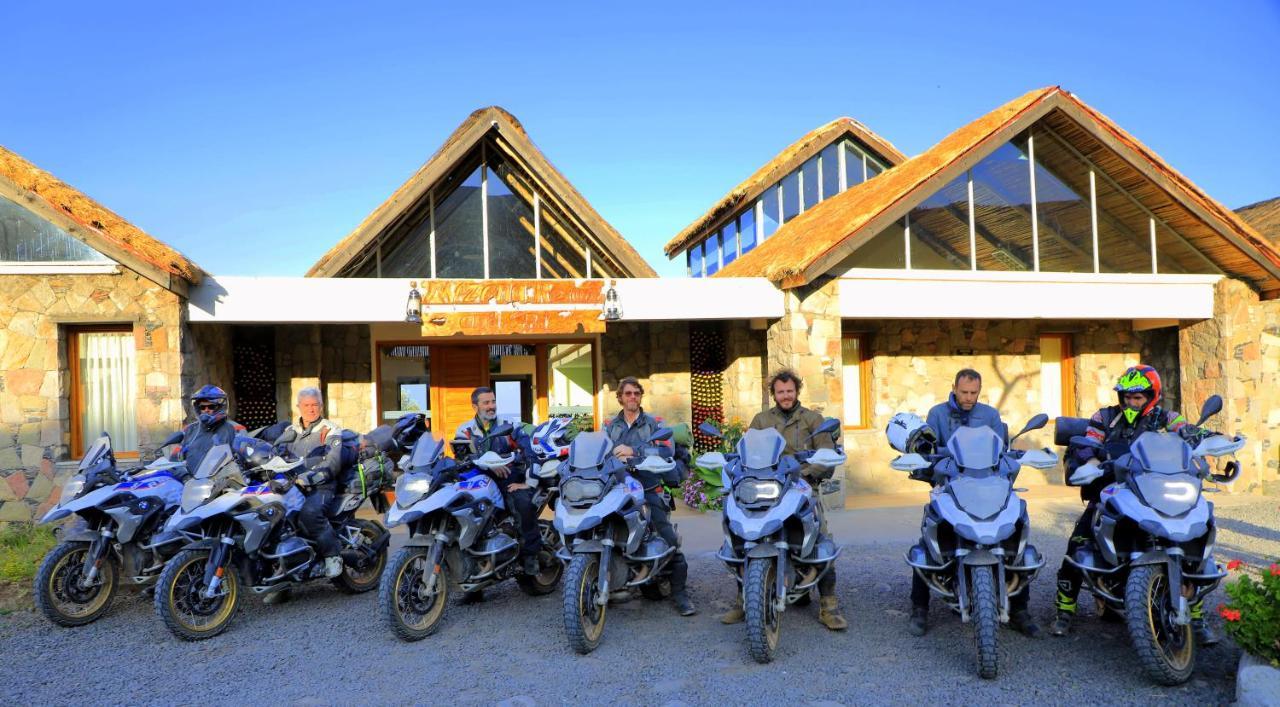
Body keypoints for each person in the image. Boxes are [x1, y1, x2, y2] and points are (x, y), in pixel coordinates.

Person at [1049, 365, 1216, 645]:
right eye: (1127, 396)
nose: (1131, 402)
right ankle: (1065, 610)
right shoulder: (1105, 416)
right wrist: (1090, 462)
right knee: (1079, 542)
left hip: (1158, 488)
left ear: (1152, 396)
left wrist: (1215, 439)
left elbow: (1187, 432)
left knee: (1193, 535)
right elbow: (1088, 441)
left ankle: (1196, 617)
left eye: (1138, 397)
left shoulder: (1166, 418)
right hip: (1115, 488)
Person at [910, 368, 1042, 638]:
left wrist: (1015, 462)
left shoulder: (990, 415)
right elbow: (929, 448)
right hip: (951, 485)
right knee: (929, 538)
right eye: (964, 392)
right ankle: (919, 609)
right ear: (954, 388)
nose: (969, 398)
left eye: (974, 393)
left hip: (988, 484)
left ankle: (1019, 610)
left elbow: (1001, 452)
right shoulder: (937, 413)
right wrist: (926, 461)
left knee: (1014, 534)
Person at [723, 369, 847, 630]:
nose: (786, 396)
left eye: (790, 391)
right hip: (767, 486)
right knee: (743, 535)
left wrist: (806, 471)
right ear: (774, 394)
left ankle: (828, 605)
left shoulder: (813, 419)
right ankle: (742, 600)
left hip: (802, 485)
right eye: (781, 392)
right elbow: (745, 451)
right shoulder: (761, 420)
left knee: (820, 538)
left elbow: (826, 454)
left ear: (796, 391)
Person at [603, 376, 696, 616]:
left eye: (636, 393)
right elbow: (601, 452)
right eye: (628, 394)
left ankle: (680, 595)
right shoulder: (610, 426)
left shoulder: (654, 423)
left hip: (647, 486)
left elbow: (667, 449)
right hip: (617, 486)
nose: (632, 397)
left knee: (668, 539)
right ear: (620, 398)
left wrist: (634, 451)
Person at [455, 386, 542, 602]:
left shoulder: (509, 426)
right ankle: (473, 584)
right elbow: (461, 458)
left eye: (493, 401)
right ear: (475, 406)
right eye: (486, 403)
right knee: (465, 520)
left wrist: (529, 483)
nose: (491, 406)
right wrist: (487, 465)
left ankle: (531, 556)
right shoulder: (464, 431)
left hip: (508, 476)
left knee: (523, 502)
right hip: (478, 479)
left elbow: (530, 451)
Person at [176, 385, 246, 474]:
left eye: (211, 407)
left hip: (222, 483)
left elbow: (243, 460)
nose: (206, 410)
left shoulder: (236, 429)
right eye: (202, 407)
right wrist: (184, 476)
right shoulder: (189, 430)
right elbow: (175, 459)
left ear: (220, 407)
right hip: (190, 482)